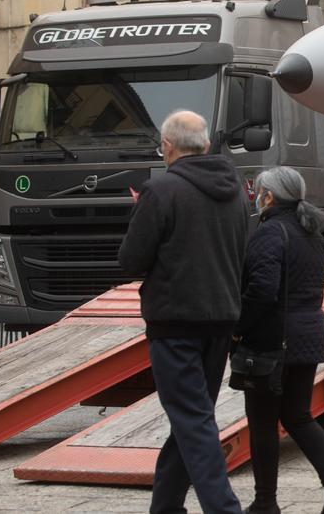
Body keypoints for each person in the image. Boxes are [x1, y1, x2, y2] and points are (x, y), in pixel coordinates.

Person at [118, 109, 249, 514]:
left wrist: (141, 212)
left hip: (175, 321)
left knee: (192, 420)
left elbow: (131, 261)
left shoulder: (161, 192)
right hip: (222, 319)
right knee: (192, 418)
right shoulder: (237, 192)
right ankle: (167, 507)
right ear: (207, 145)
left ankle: (223, 508)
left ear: (167, 147)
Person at [236, 167, 324, 514]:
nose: (257, 198)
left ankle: (265, 502)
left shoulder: (270, 233)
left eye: (259, 192)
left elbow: (261, 290)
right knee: (299, 416)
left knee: (262, 424)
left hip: (272, 342)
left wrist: (238, 328)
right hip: (308, 337)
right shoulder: (313, 236)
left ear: (269, 197)